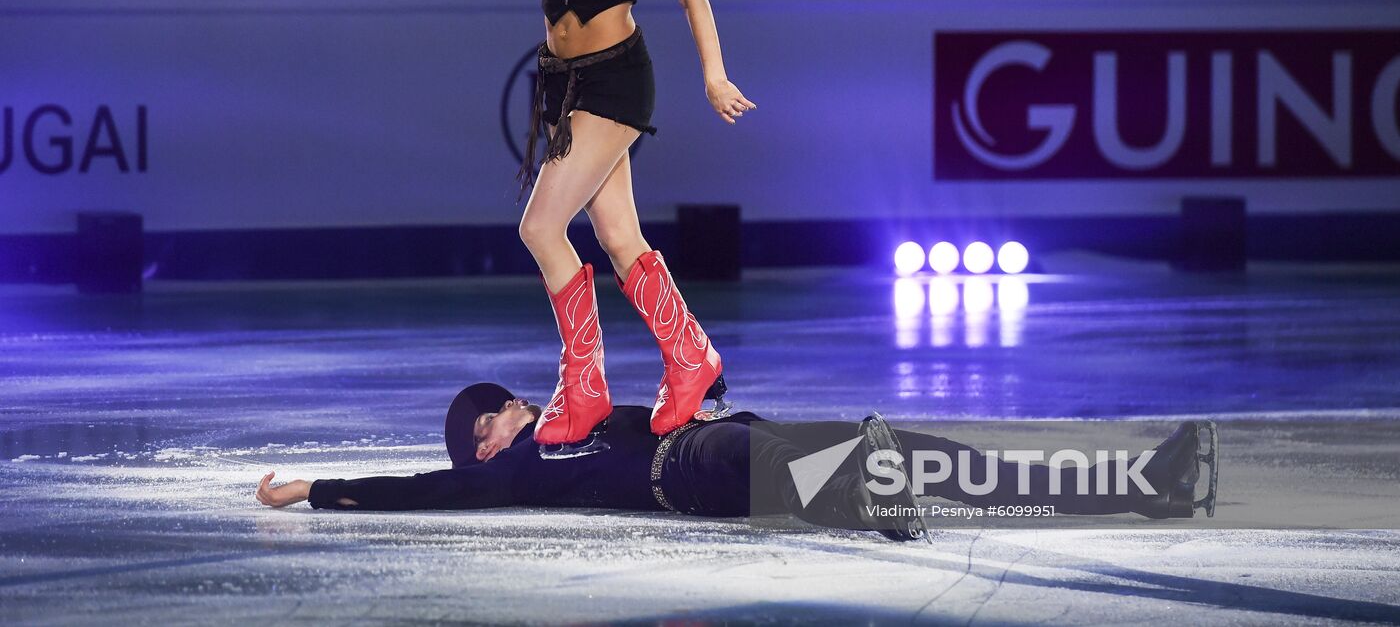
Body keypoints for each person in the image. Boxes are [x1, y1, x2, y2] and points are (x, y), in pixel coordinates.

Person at [464, 0, 756, 459]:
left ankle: (585, 383)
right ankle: (691, 356)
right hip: (564, 86)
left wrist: (714, 74)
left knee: (540, 225)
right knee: (621, 240)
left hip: (616, 80)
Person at [255, 382, 1221, 542]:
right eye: (499, 416)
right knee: (857, 465)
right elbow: (417, 494)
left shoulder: (581, 415)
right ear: (483, 449)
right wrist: (313, 489)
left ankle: (1144, 484)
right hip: (694, 474)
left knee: (923, 456)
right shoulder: (514, 470)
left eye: (509, 402)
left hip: (716, 447)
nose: (519, 408)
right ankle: (859, 495)